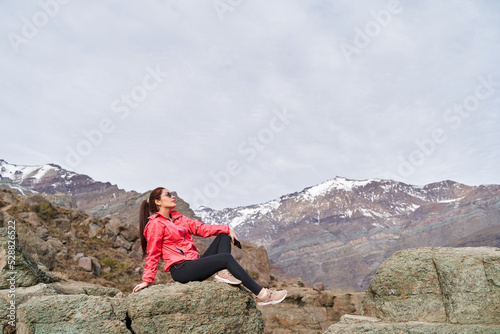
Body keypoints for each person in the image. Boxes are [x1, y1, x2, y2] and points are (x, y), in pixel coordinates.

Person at [132, 187, 287, 306]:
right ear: (157, 202)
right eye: (168, 195)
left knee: (223, 236)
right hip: (181, 269)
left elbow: (202, 229)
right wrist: (147, 280)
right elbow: (153, 253)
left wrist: (227, 229)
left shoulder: (179, 218)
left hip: (193, 264)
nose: (173, 197)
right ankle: (263, 295)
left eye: (172, 194)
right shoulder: (155, 224)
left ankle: (223, 273)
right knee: (225, 258)